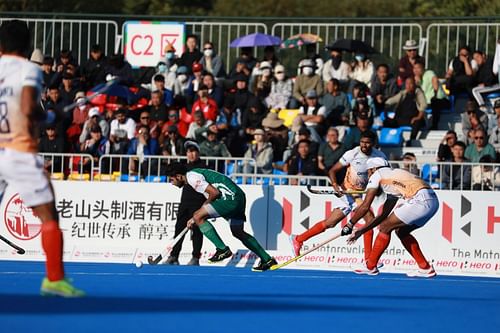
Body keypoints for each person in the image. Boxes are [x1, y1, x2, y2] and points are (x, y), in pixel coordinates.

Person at [0, 20, 84, 296]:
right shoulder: (28, 69)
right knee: (48, 214)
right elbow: (26, 108)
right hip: (18, 151)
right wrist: (51, 115)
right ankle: (54, 279)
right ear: (26, 46)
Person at [290, 131, 386, 261]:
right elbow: (332, 170)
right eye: (362, 142)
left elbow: (385, 175)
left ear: (374, 143)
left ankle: (298, 239)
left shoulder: (380, 156)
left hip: (362, 193)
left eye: (368, 143)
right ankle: (368, 260)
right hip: (348, 191)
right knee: (369, 220)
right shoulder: (352, 154)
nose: (364, 145)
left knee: (330, 223)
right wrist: (335, 184)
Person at [165, 162, 278, 271]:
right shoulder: (195, 174)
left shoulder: (191, 178)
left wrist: (198, 214)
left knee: (198, 216)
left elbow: (214, 193)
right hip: (238, 196)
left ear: (179, 176)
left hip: (230, 198)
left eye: (171, 179)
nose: (171, 183)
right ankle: (267, 259)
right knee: (238, 231)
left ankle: (222, 249)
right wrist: (197, 215)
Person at [346, 157, 438, 278]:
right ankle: (425, 267)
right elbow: (383, 215)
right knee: (401, 231)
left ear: (372, 169)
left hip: (420, 201)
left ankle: (370, 266)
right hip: (433, 202)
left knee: (385, 227)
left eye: (368, 172)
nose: (368, 175)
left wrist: (350, 224)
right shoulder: (392, 178)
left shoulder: (377, 174)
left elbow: (364, 206)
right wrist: (362, 230)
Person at [165, 141, 207, 266]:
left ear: (198, 153)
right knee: (179, 229)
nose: (191, 154)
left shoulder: (204, 167)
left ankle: (195, 257)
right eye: (188, 152)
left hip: (199, 203)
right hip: (185, 203)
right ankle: (174, 256)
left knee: (198, 232)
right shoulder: (183, 168)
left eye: (193, 151)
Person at [384, 77, 427, 142]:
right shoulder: (403, 93)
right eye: (407, 84)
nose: (409, 86)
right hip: (400, 119)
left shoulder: (418, 92)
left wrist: (418, 117)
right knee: (386, 122)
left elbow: (423, 105)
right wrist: (385, 104)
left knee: (417, 123)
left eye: (411, 83)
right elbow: (391, 100)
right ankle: (386, 141)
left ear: (414, 84)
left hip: (413, 119)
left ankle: (412, 140)